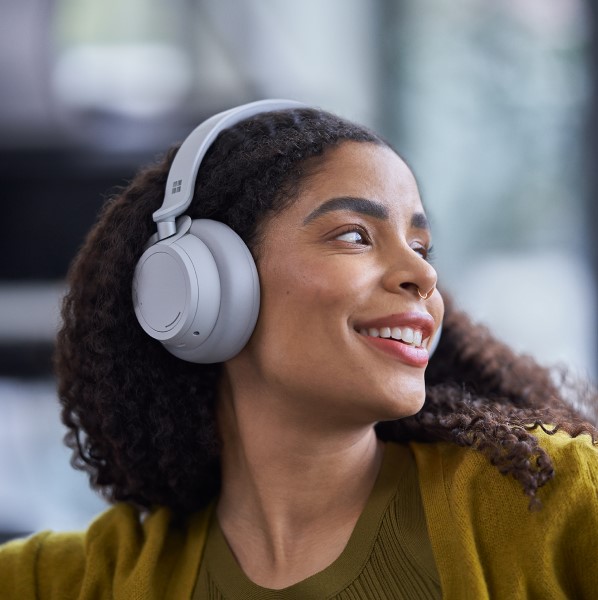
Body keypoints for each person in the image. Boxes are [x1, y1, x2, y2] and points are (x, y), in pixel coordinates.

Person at [1, 99, 597, 599]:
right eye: (355, 235)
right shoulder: (87, 581)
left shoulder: (553, 505)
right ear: (203, 286)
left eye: (422, 245)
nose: (422, 274)